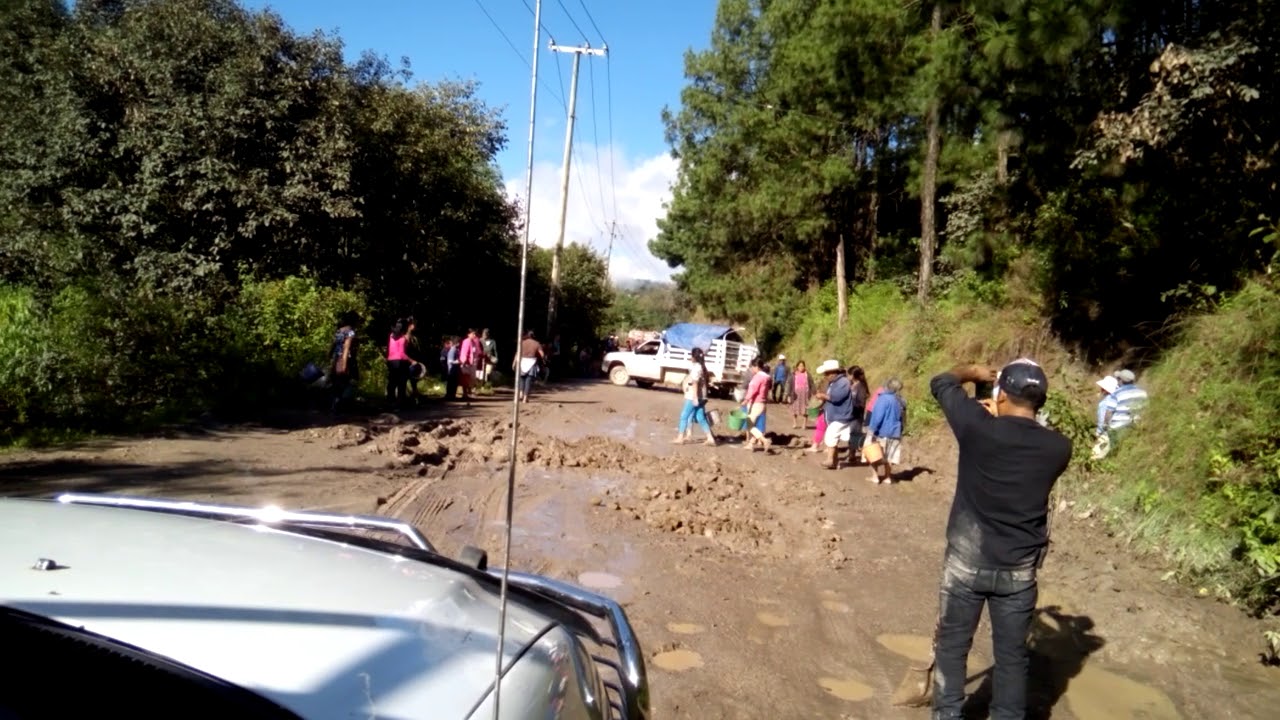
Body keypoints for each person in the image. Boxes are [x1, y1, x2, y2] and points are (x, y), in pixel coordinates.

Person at [927, 359, 1072, 720]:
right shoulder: (1059, 448)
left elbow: (941, 382)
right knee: (1011, 657)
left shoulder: (978, 428)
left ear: (1001, 395)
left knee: (952, 647)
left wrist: (972, 374)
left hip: (965, 563)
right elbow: (1022, 442)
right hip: (1018, 570)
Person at [1093, 368, 1148, 458]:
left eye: (1118, 379)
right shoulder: (1143, 393)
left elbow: (1108, 413)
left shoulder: (1116, 394)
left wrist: (1104, 428)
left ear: (1121, 381)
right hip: (1135, 428)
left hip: (1117, 428)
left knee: (1098, 455)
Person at [813, 360, 852, 469]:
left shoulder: (843, 383)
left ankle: (830, 460)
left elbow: (836, 398)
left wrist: (822, 396)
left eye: (826, 374)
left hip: (841, 415)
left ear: (832, 373)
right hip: (835, 415)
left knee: (830, 436)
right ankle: (834, 461)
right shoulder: (834, 382)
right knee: (833, 437)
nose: (825, 376)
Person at [866, 378, 906, 484]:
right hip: (896, 432)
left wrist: (872, 430)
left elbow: (877, 417)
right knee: (890, 456)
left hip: (882, 431)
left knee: (874, 453)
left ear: (887, 386)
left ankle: (875, 476)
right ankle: (887, 477)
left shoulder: (883, 398)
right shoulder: (901, 400)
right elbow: (903, 418)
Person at [673, 348, 717, 446]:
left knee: (684, 415)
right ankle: (710, 438)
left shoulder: (697, 368)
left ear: (694, 357)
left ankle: (680, 437)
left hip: (694, 396)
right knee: (700, 417)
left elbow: (695, 383)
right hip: (703, 396)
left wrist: (695, 397)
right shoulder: (702, 367)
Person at [329, 311, 361, 413]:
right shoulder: (351, 332)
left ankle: (334, 405)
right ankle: (341, 405)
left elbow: (333, 344)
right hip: (347, 359)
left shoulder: (339, 330)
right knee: (350, 381)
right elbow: (347, 347)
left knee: (337, 383)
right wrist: (344, 363)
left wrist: (329, 356)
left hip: (336, 358)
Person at [384, 318, 418, 408]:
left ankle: (390, 401)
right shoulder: (403, 338)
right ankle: (400, 402)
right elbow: (402, 354)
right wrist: (412, 361)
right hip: (400, 362)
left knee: (392, 382)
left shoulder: (391, 336)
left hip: (390, 361)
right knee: (401, 382)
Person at [741, 357, 772, 451]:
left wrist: (746, 400)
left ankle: (764, 440)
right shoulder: (766, 377)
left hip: (756, 403)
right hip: (762, 403)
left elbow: (753, 390)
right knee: (753, 425)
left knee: (749, 424)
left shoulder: (758, 377)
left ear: (757, 367)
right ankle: (751, 444)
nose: (752, 369)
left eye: (752, 367)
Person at [515, 330, 544, 403]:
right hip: (531, 362)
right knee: (528, 380)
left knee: (522, 378)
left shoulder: (522, 343)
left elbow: (517, 353)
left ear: (528, 335)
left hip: (522, 361)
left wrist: (514, 362)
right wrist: (543, 359)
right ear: (534, 336)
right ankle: (525, 398)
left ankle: (521, 394)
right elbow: (542, 354)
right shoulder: (537, 343)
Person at [786, 360, 812, 429]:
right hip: (795, 394)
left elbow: (811, 384)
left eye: (802, 366)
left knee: (805, 409)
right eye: (800, 366)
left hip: (805, 394)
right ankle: (794, 423)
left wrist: (813, 393)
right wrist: (788, 395)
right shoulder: (793, 374)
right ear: (797, 367)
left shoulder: (807, 374)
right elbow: (790, 385)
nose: (801, 367)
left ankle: (804, 424)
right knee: (794, 409)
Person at [443, 336, 462, 400]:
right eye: (458, 342)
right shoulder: (453, 350)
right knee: (451, 383)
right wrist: (457, 362)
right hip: (452, 370)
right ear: (456, 343)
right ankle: (449, 395)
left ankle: (452, 395)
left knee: (454, 383)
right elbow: (450, 361)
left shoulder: (456, 350)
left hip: (455, 369)